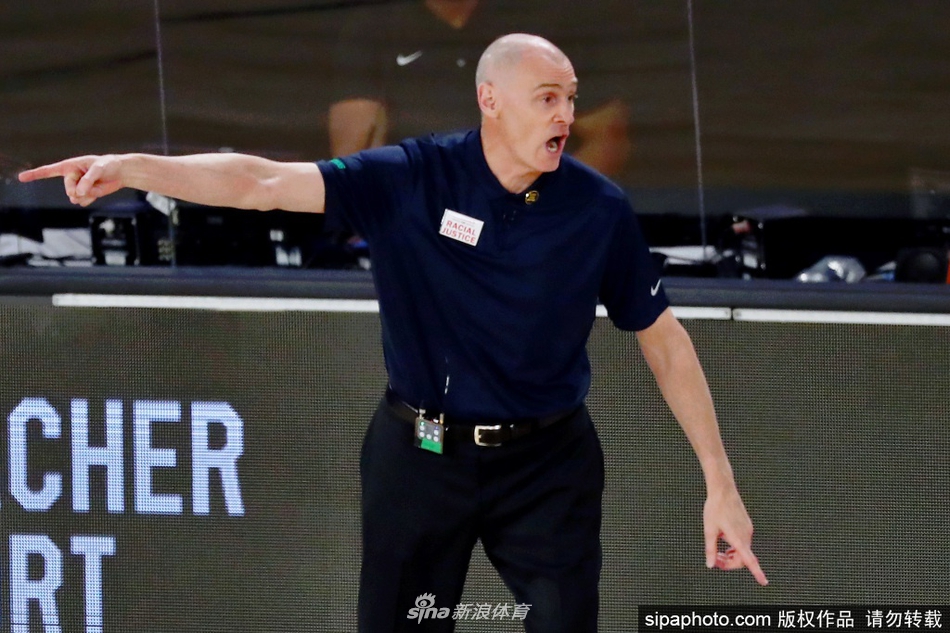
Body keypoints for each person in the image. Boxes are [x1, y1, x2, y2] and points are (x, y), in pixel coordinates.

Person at [19, 33, 767, 633]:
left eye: (570, 98)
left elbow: (663, 339)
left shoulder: (597, 209)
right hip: (421, 458)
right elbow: (262, 182)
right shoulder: (412, 177)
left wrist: (721, 484)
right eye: (547, 98)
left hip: (547, 463)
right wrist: (131, 167)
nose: (565, 115)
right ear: (490, 100)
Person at [329, 0, 631, 177]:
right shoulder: (375, 25)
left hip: (531, 215)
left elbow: (607, 138)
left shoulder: (546, 19)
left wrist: (539, 207)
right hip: (421, 217)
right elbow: (354, 157)